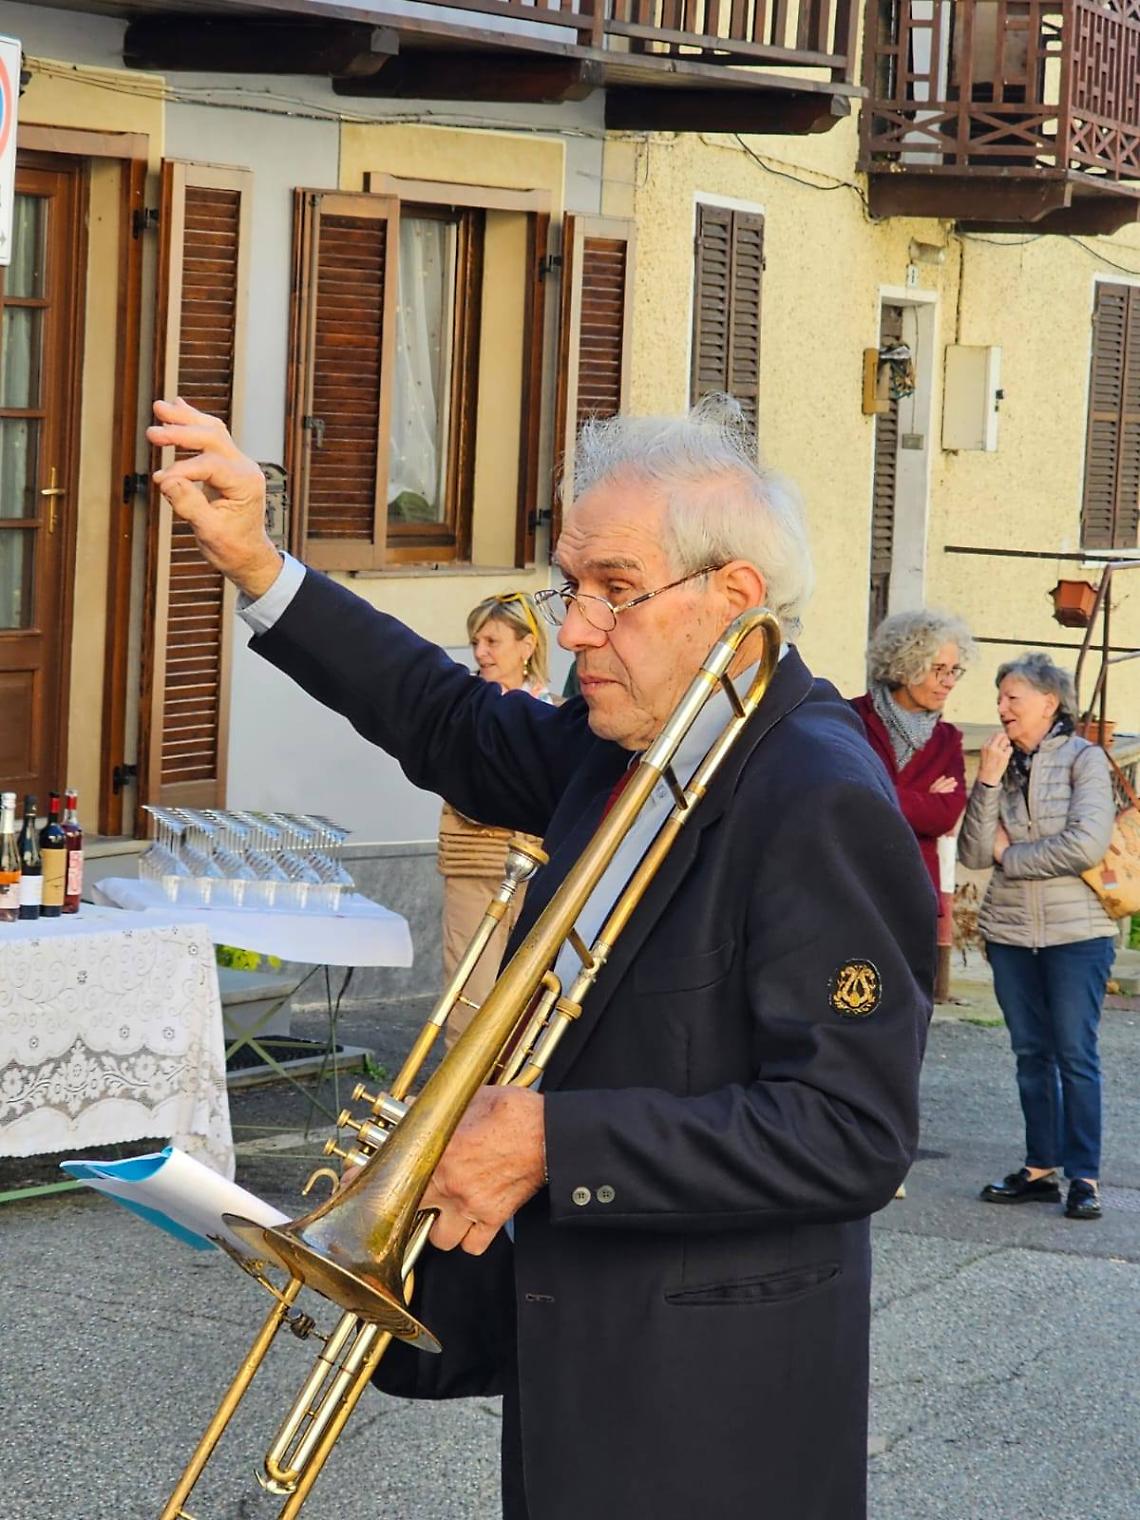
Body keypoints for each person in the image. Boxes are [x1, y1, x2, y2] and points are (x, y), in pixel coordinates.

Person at [147, 394, 935, 1520]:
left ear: (733, 597)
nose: (574, 631)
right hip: (579, 1364)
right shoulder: (629, 737)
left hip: (718, 1409)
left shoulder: (816, 790)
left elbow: (852, 1132)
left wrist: (553, 1141)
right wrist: (259, 562)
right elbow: (446, 717)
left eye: (616, 589)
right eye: (574, 588)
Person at [958, 652, 1117, 1222]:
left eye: (1012, 697)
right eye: (999, 697)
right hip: (1009, 932)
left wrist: (1012, 856)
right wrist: (986, 780)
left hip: (1078, 933)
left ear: (1048, 703)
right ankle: (1041, 1168)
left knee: (1075, 1053)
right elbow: (975, 852)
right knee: (1031, 1053)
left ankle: (1085, 1177)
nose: (1001, 707)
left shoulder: (1085, 760)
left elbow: (1085, 845)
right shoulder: (1000, 765)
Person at [439, 593, 555, 1049]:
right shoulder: (466, 708)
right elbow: (458, 787)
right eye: (476, 642)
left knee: (528, 999)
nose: (480, 653)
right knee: (468, 996)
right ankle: (462, 1093)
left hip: (541, 874)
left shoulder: (559, 712)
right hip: (475, 869)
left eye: (492, 641)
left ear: (527, 646)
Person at [851, 610, 975, 985]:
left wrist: (881, 792)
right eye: (939, 670)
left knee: (902, 999)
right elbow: (850, 800)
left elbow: (945, 815)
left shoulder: (947, 740)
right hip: (852, 885)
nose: (949, 682)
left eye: (954, 671)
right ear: (906, 665)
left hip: (912, 895)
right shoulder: (850, 718)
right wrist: (919, 798)